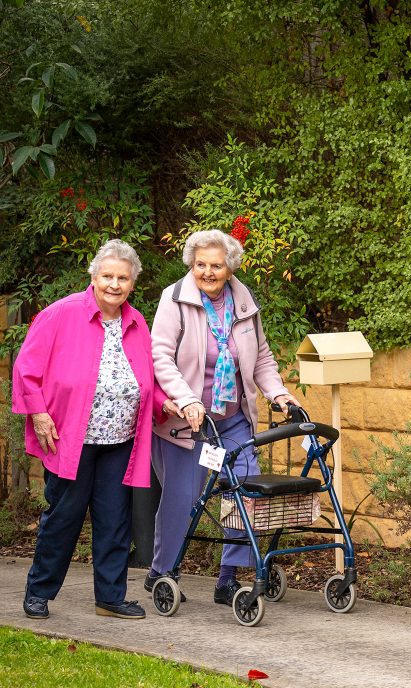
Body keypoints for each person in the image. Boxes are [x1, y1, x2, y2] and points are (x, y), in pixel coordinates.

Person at [13, 239, 171, 620]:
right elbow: (25, 369)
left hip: (119, 440)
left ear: (133, 283)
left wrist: (164, 403)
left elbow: (144, 378)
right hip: (70, 438)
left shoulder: (135, 322)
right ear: (93, 276)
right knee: (64, 518)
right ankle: (39, 592)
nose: (114, 284)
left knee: (115, 520)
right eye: (107, 276)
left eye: (123, 278)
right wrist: (39, 413)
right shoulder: (61, 314)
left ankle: (110, 598)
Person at [147, 229, 300, 605]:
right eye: (201, 264)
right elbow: (161, 357)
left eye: (216, 265)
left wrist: (278, 393)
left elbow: (261, 357)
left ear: (231, 267)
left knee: (244, 495)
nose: (208, 272)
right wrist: (184, 399)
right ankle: (162, 572)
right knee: (182, 499)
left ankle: (228, 579)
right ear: (191, 265)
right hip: (188, 423)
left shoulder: (243, 299)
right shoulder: (175, 299)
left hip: (233, 419)